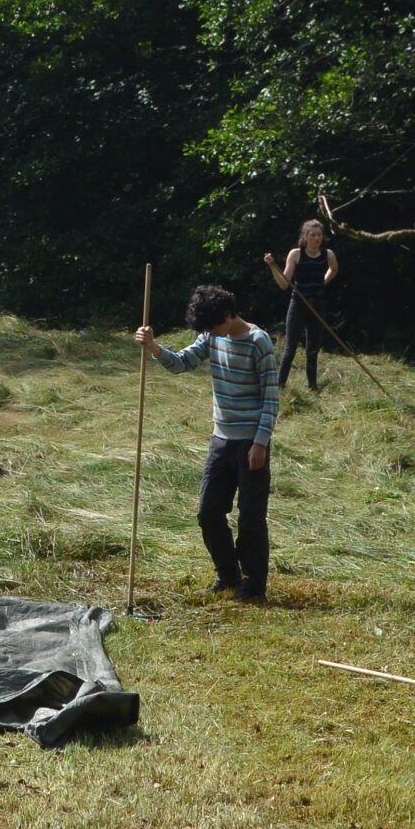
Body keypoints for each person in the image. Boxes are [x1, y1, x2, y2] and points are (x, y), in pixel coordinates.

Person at [137, 285, 282, 601]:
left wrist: (260, 443)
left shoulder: (259, 343)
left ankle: (254, 584)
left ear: (229, 315)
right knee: (208, 513)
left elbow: (272, 399)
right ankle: (228, 575)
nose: (210, 333)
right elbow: (182, 363)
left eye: (214, 326)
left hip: (251, 443)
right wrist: (154, 347)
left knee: (250, 518)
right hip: (221, 440)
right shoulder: (211, 335)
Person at [264, 219, 340, 392]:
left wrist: (323, 282)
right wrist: (272, 267)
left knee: (313, 348)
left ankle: (313, 387)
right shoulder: (296, 254)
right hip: (298, 304)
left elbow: (334, 269)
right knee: (290, 348)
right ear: (305, 237)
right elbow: (284, 284)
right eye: (312, 235)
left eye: (319, 235)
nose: (316, 238)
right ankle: (279, 386)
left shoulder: (328, 254)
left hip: (318, 304)